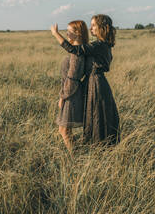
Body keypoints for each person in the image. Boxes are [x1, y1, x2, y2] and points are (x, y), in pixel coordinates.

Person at [51, 14, 120, 145]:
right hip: (95, 82)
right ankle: (99, 147)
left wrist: (56, 34)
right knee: (96, 117)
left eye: (94, 25)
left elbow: (73, 49)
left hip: (96, 83)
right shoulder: (102, 44)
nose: (91, 28)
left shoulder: (99, 45)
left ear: (102, 27)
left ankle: (100, 147)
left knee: (97, 116)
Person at [55, 20, 89, 152]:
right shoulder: (76, 50)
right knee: (64, 130)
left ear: (78, 33)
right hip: (71, 93)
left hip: (72, 95)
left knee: (64, 130)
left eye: (69, 31)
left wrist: (63, 97)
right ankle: (76, 153)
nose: (67, 33)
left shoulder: (77, 53)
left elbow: (73, 78)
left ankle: (74, 158)